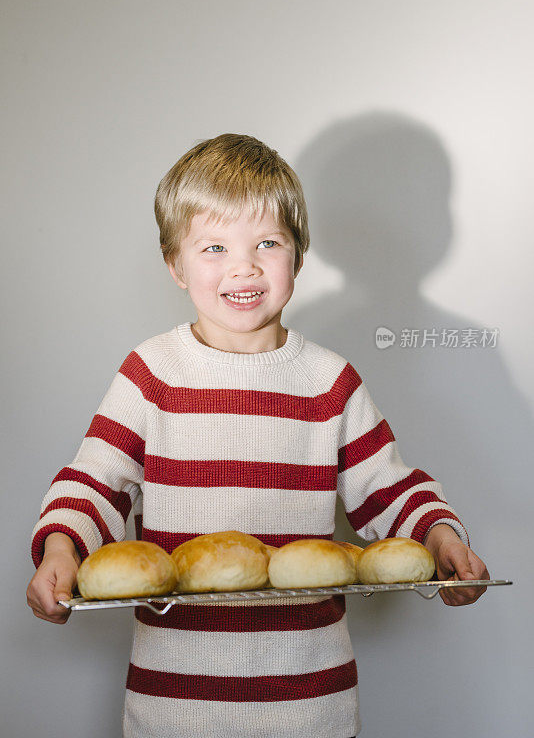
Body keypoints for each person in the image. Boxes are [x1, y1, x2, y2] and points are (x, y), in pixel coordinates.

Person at [26, 133, 489, 738]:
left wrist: (439, 533)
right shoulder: (151, 375)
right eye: (214, 246)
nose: (243, 266)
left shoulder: (330, 382)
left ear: (298, 256)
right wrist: (62, 548)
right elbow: (94, 482)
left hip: (311, 700)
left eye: (267, 243)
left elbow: (386, 488)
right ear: (174, 263)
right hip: (175, 703)